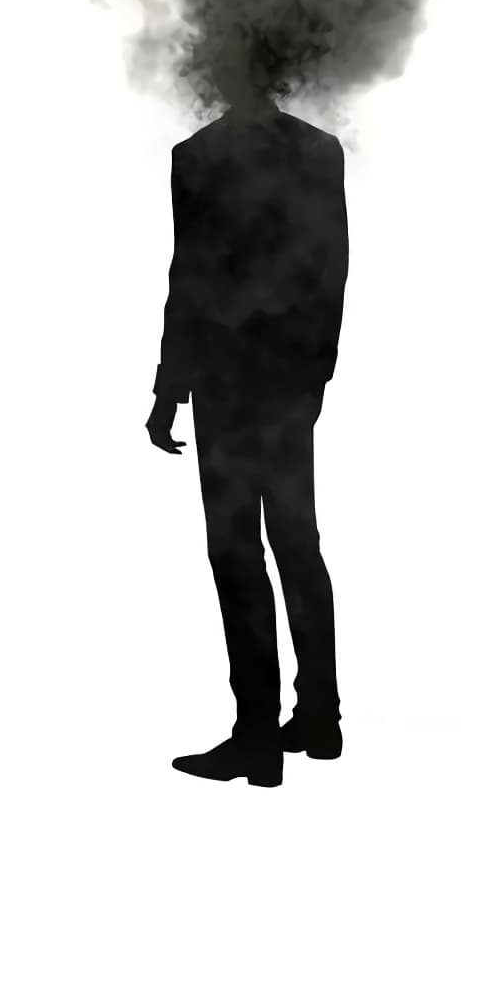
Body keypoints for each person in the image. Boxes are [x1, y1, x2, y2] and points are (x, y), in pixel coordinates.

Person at [146, 44, 349, 784]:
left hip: (227, 381)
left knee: (237, 551)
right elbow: (333, 269)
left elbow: (189, 279)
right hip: (289, 380)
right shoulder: (319, 150)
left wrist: (169, 387)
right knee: (297, 543)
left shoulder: (196, 156)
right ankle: (319, 719)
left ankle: (257, 738)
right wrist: (316, 375)